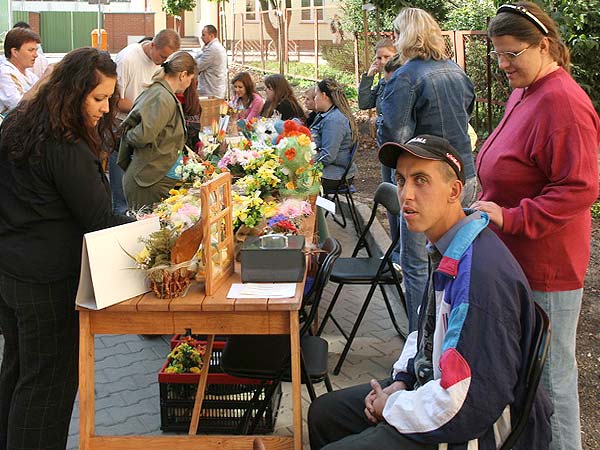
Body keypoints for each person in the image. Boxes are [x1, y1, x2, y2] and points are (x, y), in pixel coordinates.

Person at [308, 135, 552, 450]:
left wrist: (391, 407)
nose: (406, 194)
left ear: (454, 191)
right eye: (401, 180)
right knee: (324, 414)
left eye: (421, 180)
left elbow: (466, 404)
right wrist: (402, 381)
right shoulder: (449, 245)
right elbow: (426, 331)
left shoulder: (479, 277)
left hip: (474, 430)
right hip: (438, 388)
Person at [472, 3, 600, 450]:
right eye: (498, 55)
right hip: (517, 258)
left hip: (547, 265)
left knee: (551, 380)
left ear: (544, 46)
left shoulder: (563, 102)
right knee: (529, 376)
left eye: (512, 54)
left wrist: (511, 216)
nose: (504, 64)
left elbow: (580, 187)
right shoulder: (527, 89)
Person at [0, 47, 132, 450]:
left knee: (20, 372)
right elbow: (99, 218)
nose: (104, 108)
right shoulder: (65, 143)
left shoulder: (20, 123)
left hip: (12, 272)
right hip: (47, 281)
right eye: (97, 98)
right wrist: (148, 230)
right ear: (73, 93)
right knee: (47, 387)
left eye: (109, 98)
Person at [378, 8, 476, 332]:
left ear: (406, 35)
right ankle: (450, 334)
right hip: (463, 176)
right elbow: (467, 113)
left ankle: (420, 342)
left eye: (396, 32)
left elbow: (394, 136)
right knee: (458, 259)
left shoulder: (406, 76)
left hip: (426, 182)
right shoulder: (455, 71)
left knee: (417, 263)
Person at [111, 29, 181, 214]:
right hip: (121, 127)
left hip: (146, 129)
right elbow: (115, 100)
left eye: (167, 58)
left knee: (140, 187)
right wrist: (145, 109)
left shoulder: (161, 64)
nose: (162, 61)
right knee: (122, 194)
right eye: (161, 55)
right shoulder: (128, 59)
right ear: (152, 45)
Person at [118, 51, 197, 210]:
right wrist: (126, 134)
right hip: (148, 181)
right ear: (183, 75)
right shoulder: (162, 97)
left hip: (151, 177)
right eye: (191, 78)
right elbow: (142, 136)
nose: (190, 84)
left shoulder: (161, 92)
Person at [309, 78, 357, 191]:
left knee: (292, 178)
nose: (314, 99)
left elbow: (328, 156)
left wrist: (305, 161)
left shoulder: (334, 120)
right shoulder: (325, 114)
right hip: (329, 169)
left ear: (324, 96)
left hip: (334, 175)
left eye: (316, 96)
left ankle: (302, 208)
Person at [0, 27, 40, 115]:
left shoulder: (30, 75)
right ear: (15, 52)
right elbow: (17, 106)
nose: (36, 55)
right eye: (31, 50)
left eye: (36, 50)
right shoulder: (4, 73)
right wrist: (44, 79)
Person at [195, 25, 227, 99]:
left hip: (211, 91)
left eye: (203, 35)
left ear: (211, 35)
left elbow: (198, 66)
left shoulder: (213, 49)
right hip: (213, 88)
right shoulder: (213, 46)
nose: (201, 37)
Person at [176, 74, 202, 150]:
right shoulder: (169, 102)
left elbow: (195, 137)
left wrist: (199, 145)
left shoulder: (194, 104)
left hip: (189, 155)